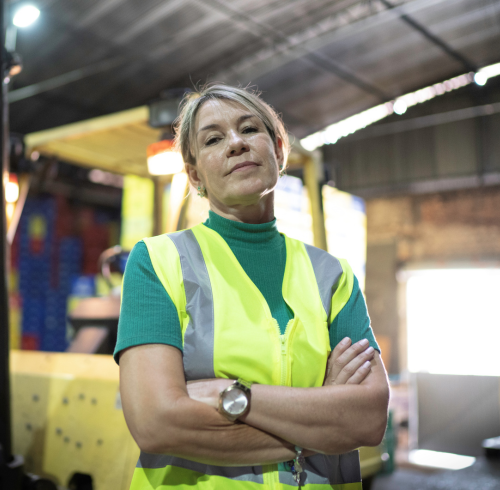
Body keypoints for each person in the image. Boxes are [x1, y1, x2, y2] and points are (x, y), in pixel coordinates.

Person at [115, 84, 390, 490]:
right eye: (213, 139)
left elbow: (367, 419)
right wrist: (323, 420)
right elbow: (157, 423)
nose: (236, 144)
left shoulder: (334, 277)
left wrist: (233, 396)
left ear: (278, 152)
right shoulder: (157, 262)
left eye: (249, 129)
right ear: (195, 175)